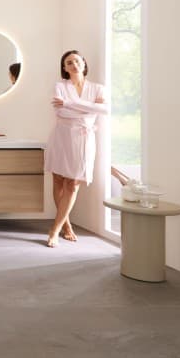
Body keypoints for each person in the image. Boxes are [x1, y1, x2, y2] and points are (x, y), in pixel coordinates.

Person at [43, 50, 108, 247]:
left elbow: (104, 110)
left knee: (73, 184)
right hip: (62, 137)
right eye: (69, 62)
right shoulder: (60, 86)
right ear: (64, 68)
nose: (74, 64)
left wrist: (69, 103)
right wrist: (88, 109)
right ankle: (66, 225)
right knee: (58, 180)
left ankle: (54, 229)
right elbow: (60, 112)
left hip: (83, 138)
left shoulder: (98, 88)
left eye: (77, 61)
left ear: (84, 63)